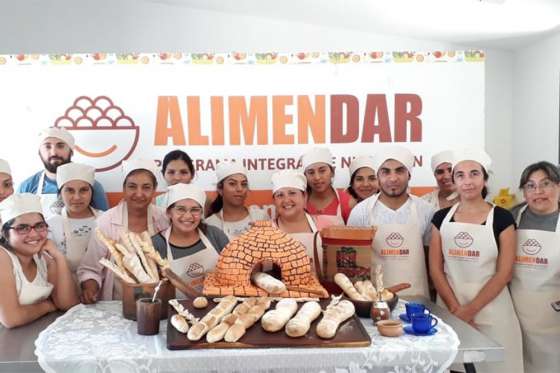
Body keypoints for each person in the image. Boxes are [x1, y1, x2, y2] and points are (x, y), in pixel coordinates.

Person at [429, 149, 523, 373]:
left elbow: (504, 273)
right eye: (460, 175)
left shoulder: (502, 217)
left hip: (493, 311)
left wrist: (468, 311)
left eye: (474, 174)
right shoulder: (441, 218)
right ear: (454, 180)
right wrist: (455, 310)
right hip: (451, 307)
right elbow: (435, 269)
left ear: (485, 179)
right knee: (457, 367)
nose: (467, 181)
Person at [77, 159, 169, 303]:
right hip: (118, 304)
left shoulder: (165, 219)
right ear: (124, 188)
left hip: (159, 301)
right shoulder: (106, 222)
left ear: (154, 189)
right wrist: (90, 289)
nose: (139, 194)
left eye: (146, 187)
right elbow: (90, 269)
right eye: (132, 186)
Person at [348, 145, 434, 298]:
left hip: (418, 300)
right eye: (385, 171)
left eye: (400, 171)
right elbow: (353, 262)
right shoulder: (360, 212)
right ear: (378, 176)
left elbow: (432, 260)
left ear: (409, 175)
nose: (393, 178)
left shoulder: (426, 210)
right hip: (374, 300)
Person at [510, 161, 560, 373]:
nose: (538, 192)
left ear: (558, 186)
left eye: (545, 184)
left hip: (552, 311)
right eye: (530, 186)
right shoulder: (511, 216)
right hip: (513, 309)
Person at [0, 194, 78, 328]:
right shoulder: (3, 257)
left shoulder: (43, 258)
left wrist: (59, 257)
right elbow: (11, 319)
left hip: (31, 331)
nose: (34, 234)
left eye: (40, 226)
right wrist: (47, 306)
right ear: (5, 233)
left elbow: (68, 303)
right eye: (23, 228)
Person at [152, 183, 229, 293]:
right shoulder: (156, 244)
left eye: (195, 209)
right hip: (175, 308)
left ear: (201, 212)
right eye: (180, 209)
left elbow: (234, 272)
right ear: (169, 212)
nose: (188, 216)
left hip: (220, 306)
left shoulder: (215, 235)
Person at [18, 127, 108, 218]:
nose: (54, 152)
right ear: (39, 152)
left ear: (71, 151)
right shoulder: (27, 187)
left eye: (60, 146)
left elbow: (105, 221)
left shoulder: (92, 185)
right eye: (47, 146)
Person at [271, 170, 340, 272]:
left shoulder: (330, 225)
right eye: (280, 195)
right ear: (274, 201)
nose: (286, 200)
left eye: (292, 193)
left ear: (305, 196)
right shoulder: (265, 231)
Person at [46, 163, 102, 286]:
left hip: (103, 292)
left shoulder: (106, 220)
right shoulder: (50, 225)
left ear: (92, 192)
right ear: (60, 193)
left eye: (83, 190)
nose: (77, 197)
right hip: (65, 290)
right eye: (69, 190)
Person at [206, 161, 269, 240]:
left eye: (244, 184)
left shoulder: (260, 216)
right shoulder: (210, 224)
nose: (240, 189)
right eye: (232, 183)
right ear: (220, 189)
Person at [301, 147, 352, 224]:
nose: (317, 177)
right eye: (311, 172)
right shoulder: (299, 201)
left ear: (332, 172)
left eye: (322, 171)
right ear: (305, 176)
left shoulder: (346, 201)